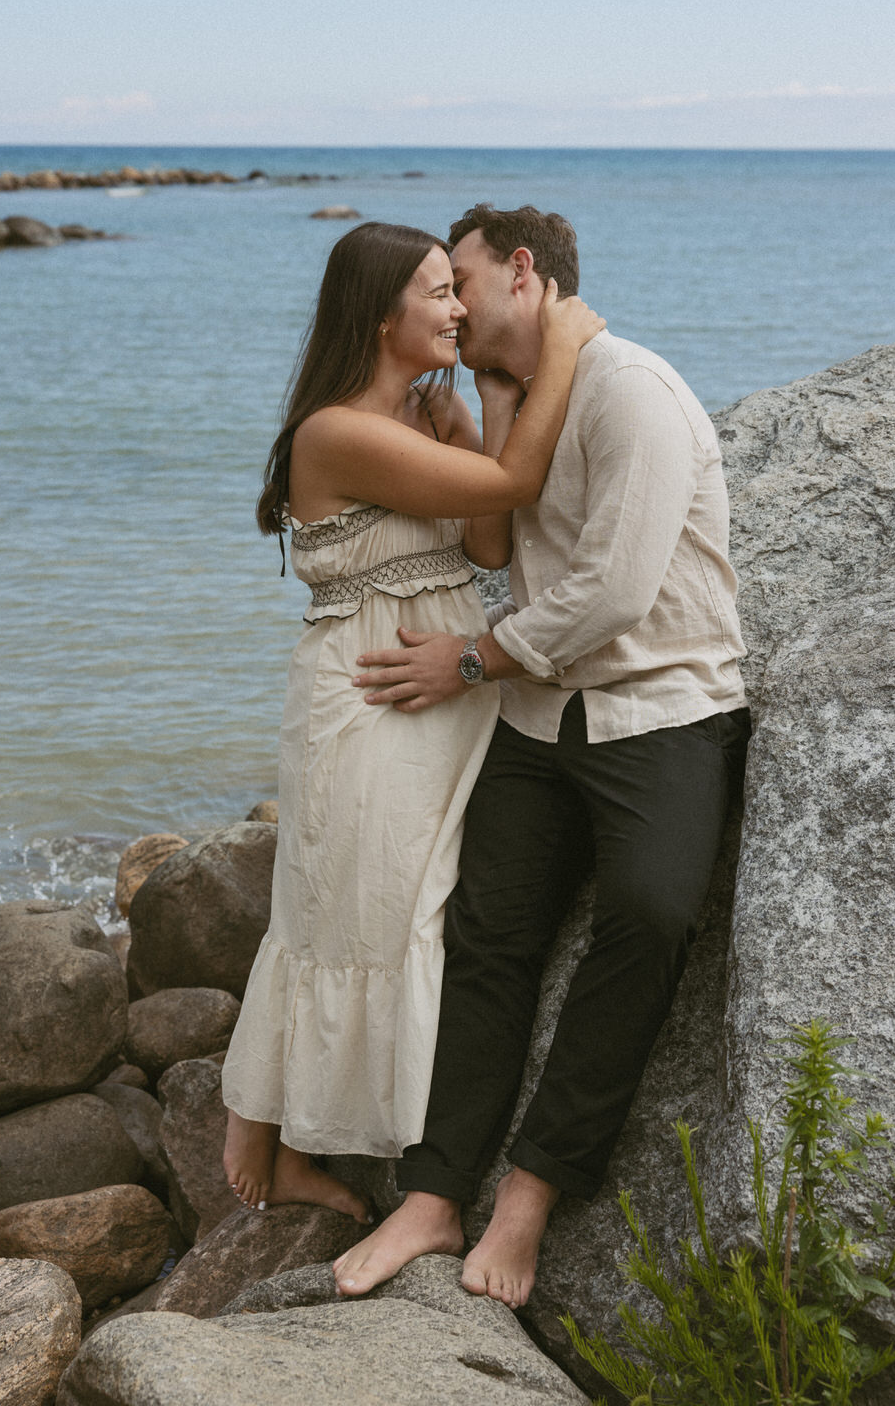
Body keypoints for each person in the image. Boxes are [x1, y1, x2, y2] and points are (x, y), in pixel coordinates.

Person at [335, 203, 750, 1304]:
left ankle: (526, 1197)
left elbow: (613, 591)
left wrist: (470, 659)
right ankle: (430, 1196)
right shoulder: (508, 391)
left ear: (523, 273)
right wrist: (471, 425)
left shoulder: (632, 390)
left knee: (654, 916)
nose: (450, 304)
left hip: (658, 704)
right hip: (534, 719)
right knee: (487, 932)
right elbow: (491, 533)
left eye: (459, 280)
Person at [221, 220, 602, 1220]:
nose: (457, 309)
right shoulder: (337, 433)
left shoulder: (416, 420)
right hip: (371, 695)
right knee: (352, 908)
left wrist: (479, 406)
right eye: (437, 294)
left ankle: (291, 1124)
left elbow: (483, 537)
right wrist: (559, 346)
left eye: (455, 291)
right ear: (378, 312)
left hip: (437, 689)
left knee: (398, 905)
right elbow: (516, 488)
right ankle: (279, 1133)